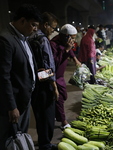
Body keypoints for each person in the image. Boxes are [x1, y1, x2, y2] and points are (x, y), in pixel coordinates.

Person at [0, 4, 41, 150]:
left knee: (21, 136)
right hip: (14, 103)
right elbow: (4, 76)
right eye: (33, 25)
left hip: (24, 99)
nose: (35, 29)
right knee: (9, 140)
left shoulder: (23, 38)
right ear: (22, 21)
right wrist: (12, 106)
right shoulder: (6, 40)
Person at [30, 12, 59, 150]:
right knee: (47, 115)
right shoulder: (43, 39)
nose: (52, 31)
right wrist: (54, 86)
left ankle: (43, 142)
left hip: (35, 81)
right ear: (45, 25)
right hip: (45, 82)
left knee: (39, 114)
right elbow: (48, 66)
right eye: (52, 28)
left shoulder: (30, 37)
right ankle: (46, 144)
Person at [50, 24, 81, 130]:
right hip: (55, 76)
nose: (74, 40)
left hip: (61, 75)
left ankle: (55, 114)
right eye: (72, 38)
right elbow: (55, 63)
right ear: (66, 36)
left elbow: (71, 50)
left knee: (63, 95)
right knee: (59, 98)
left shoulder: (65, 42)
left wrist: (75, 59)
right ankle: (63, 121)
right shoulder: (53, 44)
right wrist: (66, 50)